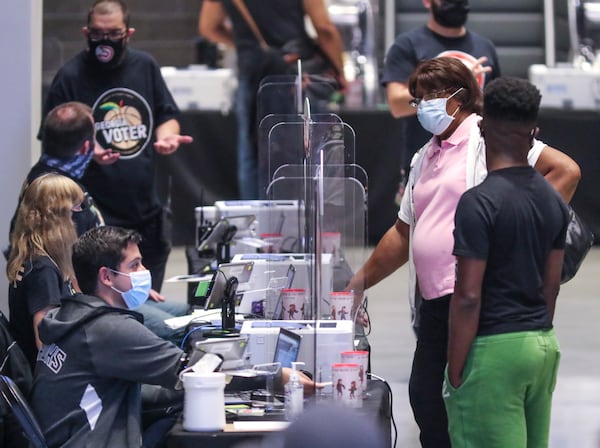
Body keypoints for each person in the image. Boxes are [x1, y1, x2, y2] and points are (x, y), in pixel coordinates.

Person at [345, 57, 580, 448]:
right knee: (426, 399)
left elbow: (566, 171)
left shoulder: (488, 138)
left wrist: (520, 226)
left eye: (431, 97)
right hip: (434, 303)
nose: (424, 107)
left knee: (468, 403)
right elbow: (404, 232)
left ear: (460, 97)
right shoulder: (426, 155)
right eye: (418, 99)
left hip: (476, 298)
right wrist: (358, 282)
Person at [30, 225, 322, 447]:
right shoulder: (107, 329)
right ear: (106, 277)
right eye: (135, 266)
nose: (145, 272)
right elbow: (200, 371)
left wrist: (180, 391)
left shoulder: (70, 316)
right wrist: (274, 377)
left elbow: (139, 388)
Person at [445, 76, 568, 447]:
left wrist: (455, 369)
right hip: (542, 347)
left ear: (482, 127)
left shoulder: (478, 202)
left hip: (493, 352)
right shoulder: (552, 199)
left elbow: (468, 296)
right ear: (534, 131)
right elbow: (551, 285)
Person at [41, 0, 193, 294]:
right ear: (86, 32)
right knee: (110, 310)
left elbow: (166, 115)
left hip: (146, 213)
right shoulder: (69, 77)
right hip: (96, 220)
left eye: (113, 33)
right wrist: (88, 152)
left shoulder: (144, 66)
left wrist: (166, 137)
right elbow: (54, 145)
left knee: (148, 304)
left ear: (128, 33)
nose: (105, 41)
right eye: (97, 33)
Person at [18, 101, 185, 343]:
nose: (76, 212)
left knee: (186, 315)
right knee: (177, 330)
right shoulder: (51, 194)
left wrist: (130, 278)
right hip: (97, 299)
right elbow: (46, 342)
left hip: (106, 289)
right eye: (74, 209)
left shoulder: (62, 183)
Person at [199, 0, 346, 199]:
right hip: (296, 71)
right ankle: (300, 220)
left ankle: (255, 221)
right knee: (306, 150)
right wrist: (339, 71)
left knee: (252, 152)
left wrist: (246, 44)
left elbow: (208, 27)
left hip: (252, 72)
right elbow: (324, 28)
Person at [381, 0, 500, 176]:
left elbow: (494, 106)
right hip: (426, 164)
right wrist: (455, 82)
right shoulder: (407, 45)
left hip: (476, 162)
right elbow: (397, 105)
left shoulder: (485, 47)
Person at [6, 173, 83, 369]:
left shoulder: (33, 259)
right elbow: (46, 343)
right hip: (50, 382)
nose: (74, 222)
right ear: (55, 217)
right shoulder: (42, 270)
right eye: (71, 213)